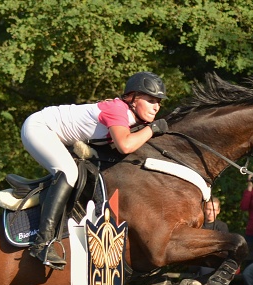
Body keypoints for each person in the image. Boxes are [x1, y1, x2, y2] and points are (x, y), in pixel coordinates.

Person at [21, 71, 168, 270]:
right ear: (132, 99)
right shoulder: (118, 110)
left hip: (57, 136)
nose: (156, 106)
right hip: (39, 127)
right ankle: (41, 243)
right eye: (151, 100)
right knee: (69, 173)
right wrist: (152, 130)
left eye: (158, 101)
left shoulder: (132, 118)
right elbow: (125, 145)